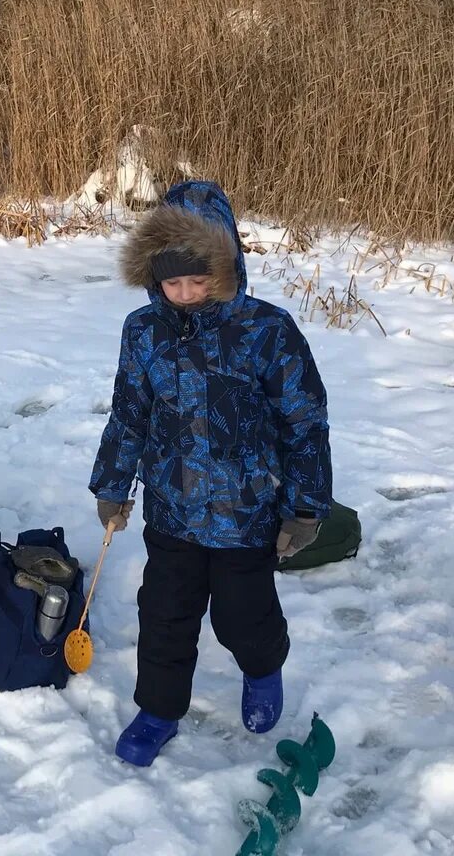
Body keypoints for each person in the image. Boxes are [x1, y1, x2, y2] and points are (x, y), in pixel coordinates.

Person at [89, 181, 331, 767]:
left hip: (246, 513)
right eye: (172, 282)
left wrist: (305, 507)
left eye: (199, 279)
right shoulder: (143, 332)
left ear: (226, 267)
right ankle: (159, 709)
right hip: (172, 511)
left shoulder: (266, 332)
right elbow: (129, 412)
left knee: (243, 615)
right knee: (164, 615)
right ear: (154, 278)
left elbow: (304, 421)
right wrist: (113, 485)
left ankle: (262, 668)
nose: (187, 293)